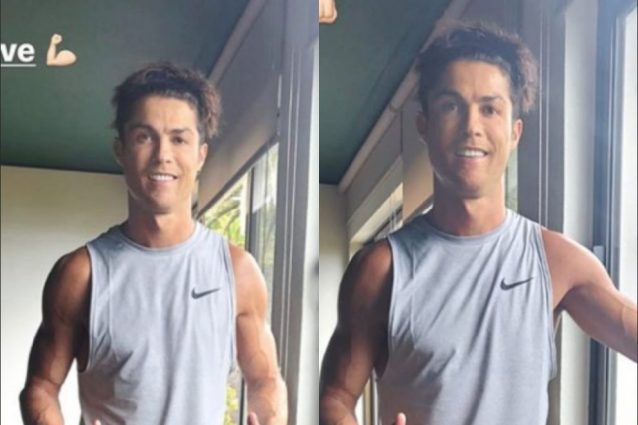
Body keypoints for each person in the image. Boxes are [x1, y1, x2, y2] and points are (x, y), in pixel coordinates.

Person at [319, 22, 637, 425]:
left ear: (515, 132)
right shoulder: (381, 270)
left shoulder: (558, 262)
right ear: (424, 125)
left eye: (490, 109)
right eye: (451, 106)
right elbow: (336, 396)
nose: (472, 126)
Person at [19, 62, 287, 425]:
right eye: (145, 137)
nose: (163, 155)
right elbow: (41, 387)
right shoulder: (80, 274)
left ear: (201, 155)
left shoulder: (238, 271)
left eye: (179, 139)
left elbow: (266, 379)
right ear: (121, 150)